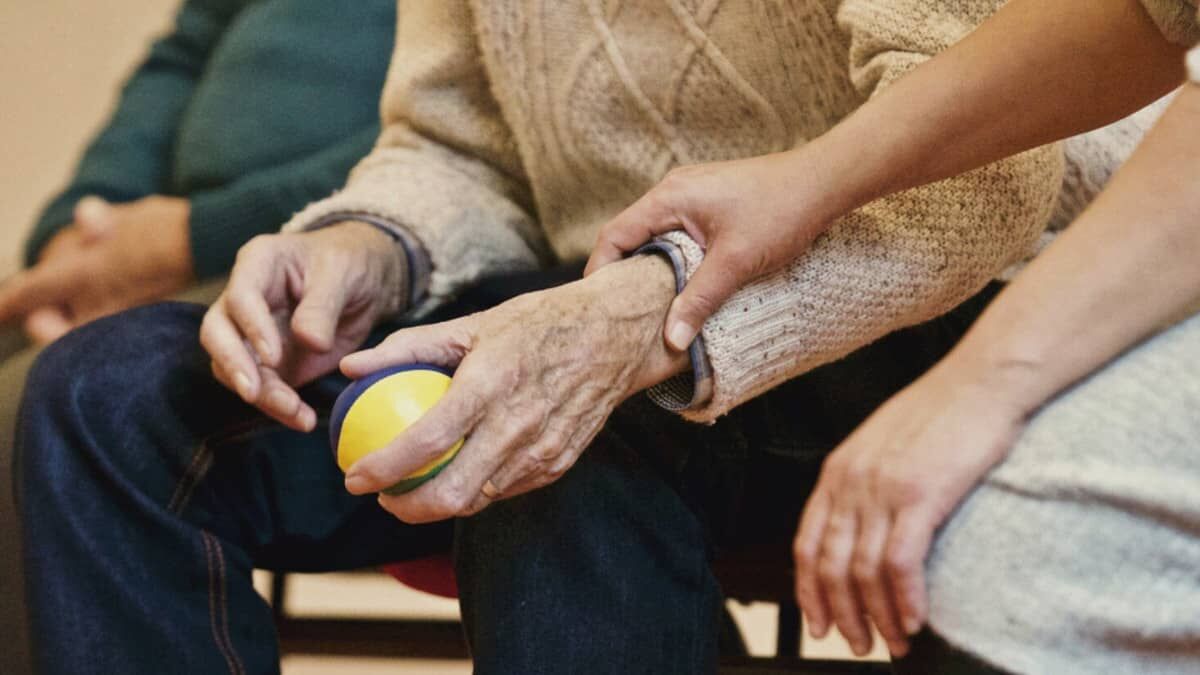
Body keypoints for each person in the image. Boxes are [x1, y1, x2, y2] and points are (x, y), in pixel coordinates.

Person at [13, 1, 1156, 673]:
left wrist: (640, 316)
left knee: (559, 432)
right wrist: (369, 245)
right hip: (593, 291)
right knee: (106, 398)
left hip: (931, 291)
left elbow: (988, 180)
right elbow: (457, 145)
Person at [590, 0, 1200, 670]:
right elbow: (1158, 16)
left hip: (1035, 265)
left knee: (1011, 560)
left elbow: (1002, 185)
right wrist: (806, 178)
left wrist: (977, 388)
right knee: (571, 421)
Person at [0, 1, 396, 673]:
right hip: (175, 264)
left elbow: (461, 146)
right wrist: (76, 235)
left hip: (346, 264)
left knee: (64, 399)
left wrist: (193, 235)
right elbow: (181, 59)